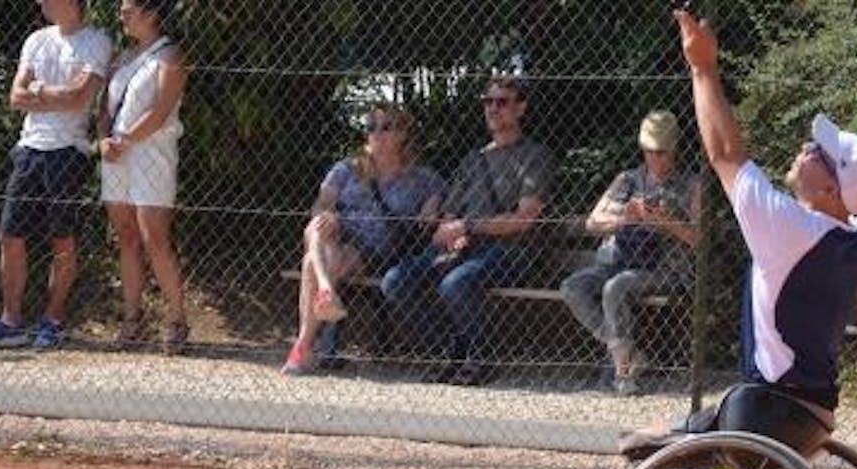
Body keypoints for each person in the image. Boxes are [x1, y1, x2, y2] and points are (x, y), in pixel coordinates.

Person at [621, 10, 857, 460]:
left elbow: (724, 152)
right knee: (670, 433)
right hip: (814, 420)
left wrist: (702, 68)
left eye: (819, 154)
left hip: (764, 414)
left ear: (831, 188)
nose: (806, 147)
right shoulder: (856, 241)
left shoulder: (788, 227)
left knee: (649, 442)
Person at [381, 77, 551, 386]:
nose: (493, 109)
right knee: (395, 280)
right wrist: (450, 232)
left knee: (456, 282)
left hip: (512, 250)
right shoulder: (474, 159)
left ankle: (480, 357)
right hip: (465, 247)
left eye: (502, 102)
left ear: (521, 108)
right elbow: (449, 214)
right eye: (488, 102)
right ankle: (450, 351)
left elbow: (524, 220)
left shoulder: (533, 156)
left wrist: (468, 225)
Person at [0, 0, 112, 350]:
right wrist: (52, 94)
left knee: (62, 240)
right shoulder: (36, 39)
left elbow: (81, 99)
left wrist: (38, 90)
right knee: (10, 236)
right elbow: (15, 97)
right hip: (29, 148)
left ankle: (53, 320)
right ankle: (10, 321)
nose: (41, 2)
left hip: (68, 152)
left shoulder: (97, 40)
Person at [281, 104, 445, 375]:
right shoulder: (346, 169)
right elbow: (320, 205)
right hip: (337, 240)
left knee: (314, 260)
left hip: (376, 251)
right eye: (371, 128)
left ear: (403, 134)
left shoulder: (421, 178)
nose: (377, 134)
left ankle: (305, 340)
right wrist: (330, 215)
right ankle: (319, 306)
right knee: (318, 226)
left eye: (386, 127)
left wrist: (432, 208)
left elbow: (438, 203)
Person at [560, 110, 701, 397]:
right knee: (572, 287)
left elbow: (699, 239)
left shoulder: (692, 184)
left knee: (616, 287)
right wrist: (625, 219)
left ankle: (623, 377)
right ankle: (626, 351)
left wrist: (664, 221)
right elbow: (592, 223)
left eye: (662, 152)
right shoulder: (627, 180)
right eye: (650, 151)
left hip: (663, 268)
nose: (655, 158)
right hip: (616, 258)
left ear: (674, 149)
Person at [98, 0, 190, 354]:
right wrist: (104, 138)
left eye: (129, 8)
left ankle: (178, 320)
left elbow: (161, 109)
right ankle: (132, 319)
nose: (121, 14)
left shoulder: (170, 56)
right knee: (126, 234)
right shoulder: (122, 57)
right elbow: (105, 108)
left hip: (152, 154)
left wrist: (125, 139)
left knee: (154, 236)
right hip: (117, 154)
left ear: (151, 13)